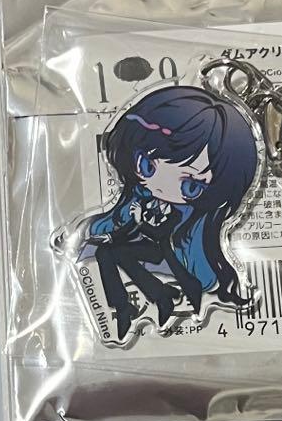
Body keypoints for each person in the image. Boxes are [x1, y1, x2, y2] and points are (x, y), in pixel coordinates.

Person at [86, 85, 259, 341]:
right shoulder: (141, 196)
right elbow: (128, 228)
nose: (160, 185)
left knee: (114, 252)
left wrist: (139, 222)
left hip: (169, 252)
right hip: (151, 247)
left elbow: (162, 235)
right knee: (105, 252)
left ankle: (159, 296)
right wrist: (113, 234)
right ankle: (125, 306)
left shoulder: (186, 215)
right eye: (147, 166)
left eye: (191, 185)